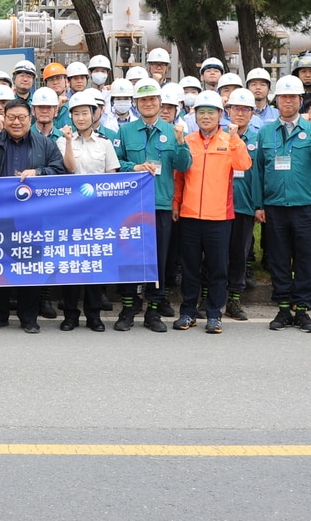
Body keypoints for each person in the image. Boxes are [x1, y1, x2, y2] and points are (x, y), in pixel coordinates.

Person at [254, 75, 311, 333]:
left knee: (304, 258)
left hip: (306, 205)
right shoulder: (266, 131)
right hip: (275, 205)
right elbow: (258, 171)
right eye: (283, 97)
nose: (288, 101)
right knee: (278, 258)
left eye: (293, 97)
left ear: (301, 100)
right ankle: (284, 308)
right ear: (276, 101)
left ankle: (302, 309)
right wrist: (259, 204)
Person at [0, 97, 67, 332]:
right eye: (11, 118)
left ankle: (29, 318)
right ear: (4, 118)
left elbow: (60, 170)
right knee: (0, 264)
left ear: (31, 119)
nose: (16, 122)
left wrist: (38, 172)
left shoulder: (45, 143)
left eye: (21, 117)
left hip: (33, 215)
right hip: (1, 213)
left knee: (30, 265)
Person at [172, 91, 252, 334]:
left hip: (219, 217)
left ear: (220, 114)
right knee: (190, 268)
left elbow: (244, 165)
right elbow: (179, 176)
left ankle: (215, 314)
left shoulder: (229, 140)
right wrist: (176, 204)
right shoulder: (188, 140)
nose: (206, 117)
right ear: (194, 115)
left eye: (211, 112)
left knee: (218, 268)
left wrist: (236, 139)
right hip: (189, 215)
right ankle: (187, 312)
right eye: (201, 112)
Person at [115, 80, 191, 331]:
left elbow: (184, 165)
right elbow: (116, 164)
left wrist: (180, 142)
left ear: (160, 103)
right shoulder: (125, 132)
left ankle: (154, 312)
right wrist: (134, 167)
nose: (148, 104)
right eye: (143, 100)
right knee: (130, 257)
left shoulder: (173, 131)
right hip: (131, 205)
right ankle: (128, 308)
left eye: (153, 100)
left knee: (159, 260)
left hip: (160, 205)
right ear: (136, 104)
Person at [55, 91, 119, 331]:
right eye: (76, 113)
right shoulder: (62, 141)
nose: (81, 118)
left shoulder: (104, 143)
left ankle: (94, 315)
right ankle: (70, 314)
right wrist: (69, 141)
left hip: (97, 213)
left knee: (94, 264)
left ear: (94, 115)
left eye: (85, 113)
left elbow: (111, 177)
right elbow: (69, 169)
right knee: (71, 264)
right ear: (70, 116)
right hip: (70, 213)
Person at [224, 89, 261, 320]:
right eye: (236, 108)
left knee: (239, 254)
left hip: (245, 205)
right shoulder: (219, 135)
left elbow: (260, 174)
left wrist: (259, 205)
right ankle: (207, 297)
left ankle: (234, 300)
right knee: (214, 254)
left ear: (252, 112)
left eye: (245, 109)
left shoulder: (260, 136)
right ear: (228, 111)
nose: (240, 113)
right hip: (217, 205)